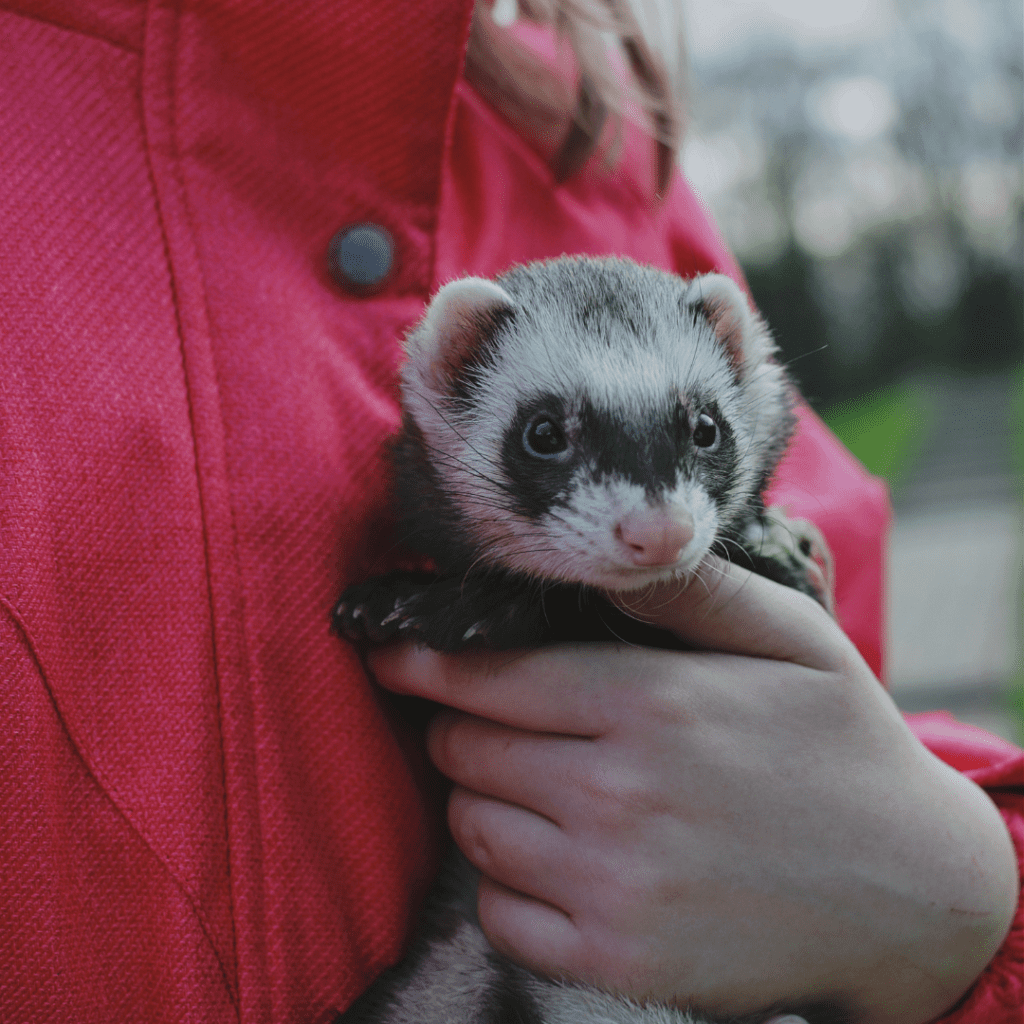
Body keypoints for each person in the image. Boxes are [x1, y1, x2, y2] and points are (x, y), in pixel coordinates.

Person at [0, 1, 1019, 1022]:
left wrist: (960, 896)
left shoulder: (595, 140)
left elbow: (872, 744)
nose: (655, 519)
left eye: (700, 436)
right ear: (448, 384)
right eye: (547, 441)